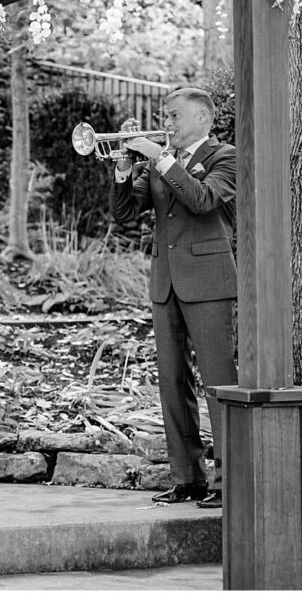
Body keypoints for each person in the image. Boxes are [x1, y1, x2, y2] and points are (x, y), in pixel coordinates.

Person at [112, 87, 238, 509]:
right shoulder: (160, 161)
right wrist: (124, 167)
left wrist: (160, 157)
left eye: (174, 116)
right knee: (172, 382)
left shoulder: (226, 156)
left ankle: (228, 481)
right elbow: (127, 214)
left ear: (202, 117)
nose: (167, 124)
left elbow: (202, 200)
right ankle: (187, 477)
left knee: (219, 382)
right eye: (164, 116)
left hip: (208, 280)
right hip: (164, 283)